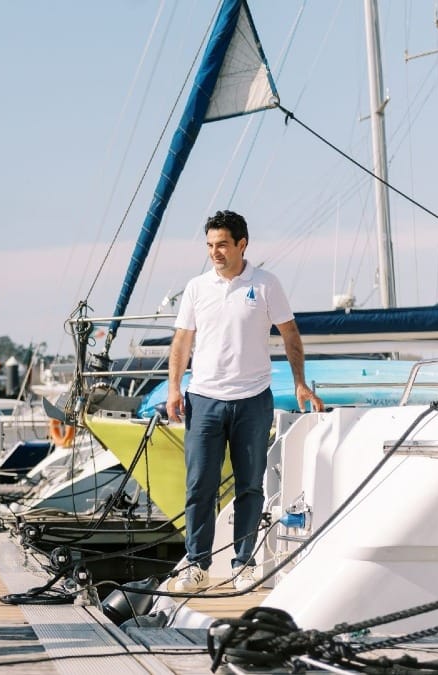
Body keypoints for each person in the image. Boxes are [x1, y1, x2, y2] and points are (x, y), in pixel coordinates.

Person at [165, 210, 324, 593]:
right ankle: (197, 566)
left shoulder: (267, 284)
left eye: (222, 244)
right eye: (209, 245)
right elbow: (183, 341)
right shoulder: (196, 288)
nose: (215, 252)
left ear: (242, 244)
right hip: (204, 398)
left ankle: (244, 564)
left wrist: (300, 382)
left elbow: (290, 334)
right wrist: (173, 388)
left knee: (250, 486)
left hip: (253, 400)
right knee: (199, 485)